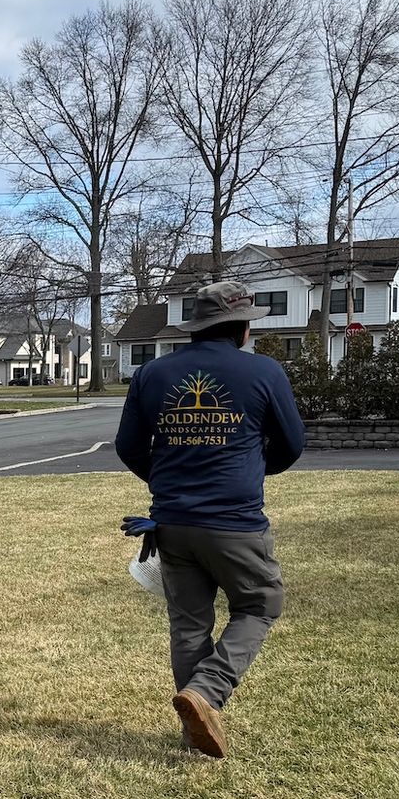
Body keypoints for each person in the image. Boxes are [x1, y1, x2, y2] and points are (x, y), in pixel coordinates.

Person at [114, 280, 306, 757]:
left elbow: (127, 446)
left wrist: (165, 483)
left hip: (171, 524)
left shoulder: (153, 373)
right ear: (243, 328)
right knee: (260, 605)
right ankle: (206, 694)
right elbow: (292, 443)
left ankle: (195, 732)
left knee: (189, 625)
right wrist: (259, 469)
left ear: (197, 327)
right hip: (235, 523)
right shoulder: (264, 372)